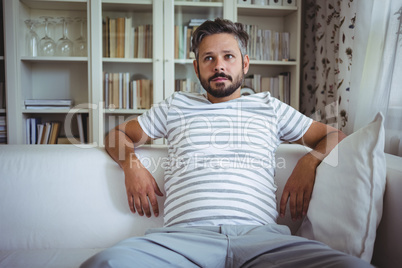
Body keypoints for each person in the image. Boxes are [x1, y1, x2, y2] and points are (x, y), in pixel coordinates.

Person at [81, 18, 372, 268]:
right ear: (197, 68)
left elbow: (335, 136)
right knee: (103, 263)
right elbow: (116, 135)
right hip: (183, 240)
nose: (219, 66)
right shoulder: (176, 105)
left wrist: (309, 162)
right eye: (209, 58)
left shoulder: (268, 106)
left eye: (228, 57)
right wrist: (131, 164)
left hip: (262, 240)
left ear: (244, 64)